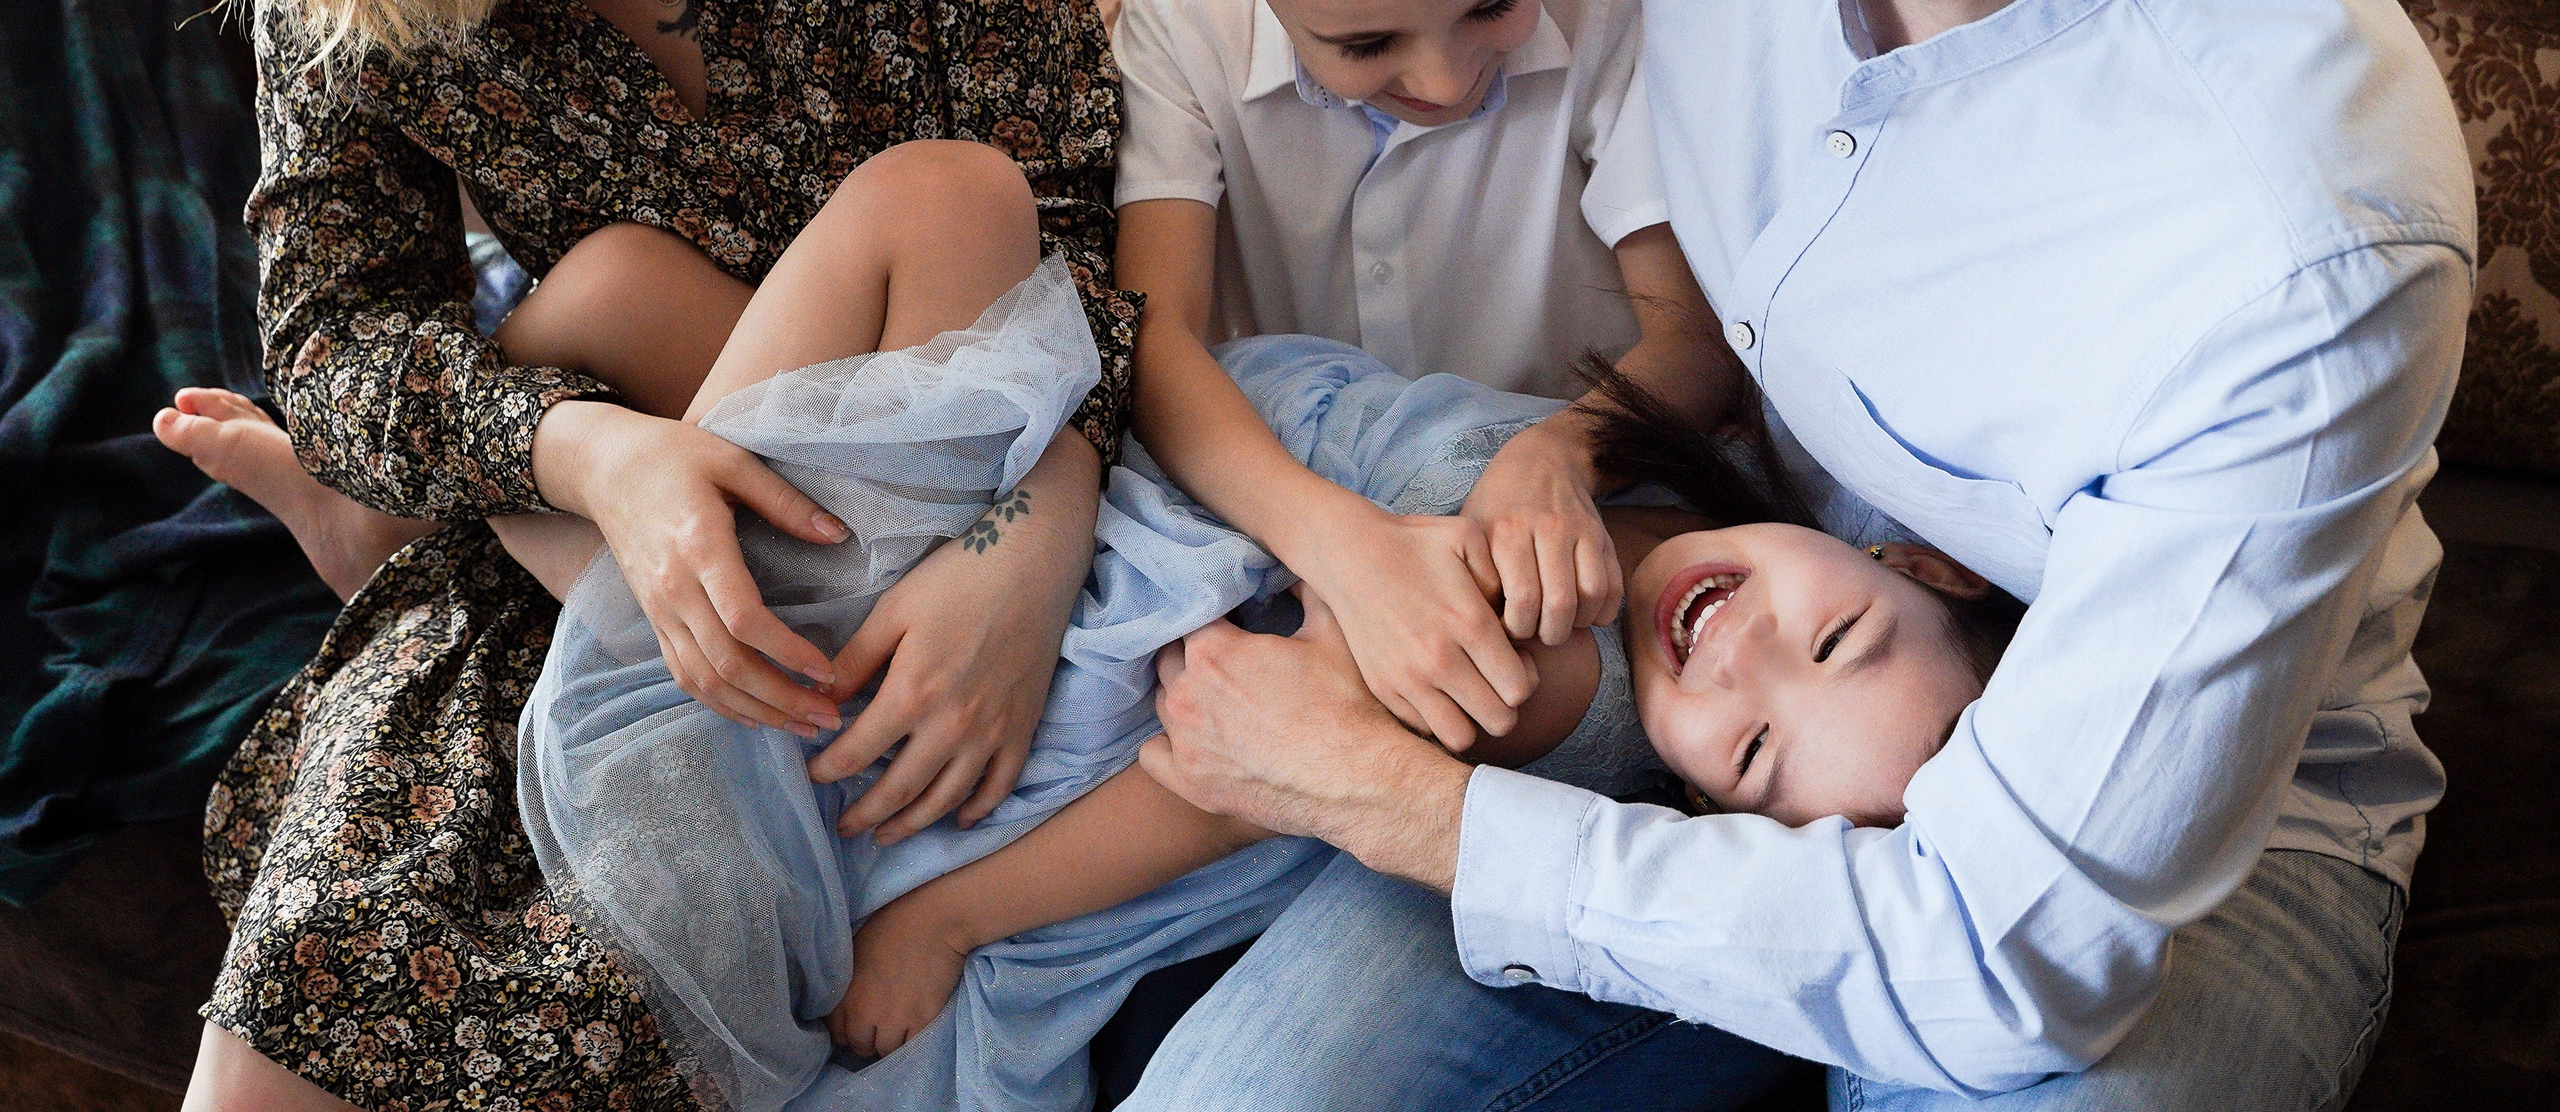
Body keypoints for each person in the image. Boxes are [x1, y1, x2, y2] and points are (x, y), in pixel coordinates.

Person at [1125, 0, 2474, 1108]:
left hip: (2128, 834)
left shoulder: (2305, 243)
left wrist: (1406, 807)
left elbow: (2000, 954)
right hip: (1724, 608)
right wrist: (1540, 473)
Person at [152, 0, 1136, 1108]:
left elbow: (1070, 208)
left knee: (660, 959)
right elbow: (332, 337)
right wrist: (588, 454)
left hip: (945, 463)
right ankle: (398, 530)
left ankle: (383, 531)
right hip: (598, 473)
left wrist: (1039, 529)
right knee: (318, 971)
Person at [510, 238, 2017, 1110]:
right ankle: (476, 482)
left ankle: (491, 507)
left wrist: (950, 920)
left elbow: (1227, 779)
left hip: (1105, 661)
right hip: (1111, 481)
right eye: (1836, 638)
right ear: (1919, 561)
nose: (1741, 658)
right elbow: (1144, 333)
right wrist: (1548, 453)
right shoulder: (1662, 476)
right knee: (626, 301)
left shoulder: (1548, 659)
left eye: (1749, 750)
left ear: (1700, 802)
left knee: (717, 652)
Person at [1113, 0, 1737, 758]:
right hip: (1287, 502)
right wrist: (1346, 548)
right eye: (1365, 43)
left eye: (1495, 3)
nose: (1446, 81)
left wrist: (1558, 452)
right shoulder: (1177, 5)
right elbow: (1156, 342)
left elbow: (1695, 341)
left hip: (1557, 504)